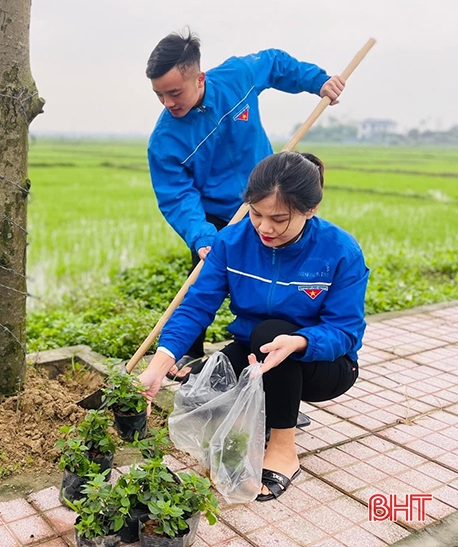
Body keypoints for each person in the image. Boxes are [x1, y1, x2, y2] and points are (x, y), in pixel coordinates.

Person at [138, 152, 369, 501]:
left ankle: (283, 447)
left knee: (270, 337)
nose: (264, 228)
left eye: (279, 219)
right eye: (256, 213)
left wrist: (300, 341)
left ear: (311, 210)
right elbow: (197, 306)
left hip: (325, 364)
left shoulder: (340, 252)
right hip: (258, 351)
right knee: (206, 384)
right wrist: (159, 365)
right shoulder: (231, 242)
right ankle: (271, 410)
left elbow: (346, 330)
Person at [146, 29, 345, 369]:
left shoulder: (237, 77)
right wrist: (203, 236)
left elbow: (274, 63)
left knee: (278, 280)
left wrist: (318, 81)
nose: (168, 103)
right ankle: (183, 356)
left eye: (174, 92)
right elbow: (177, 197)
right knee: (201, 282)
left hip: (268, 202)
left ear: (199, 78)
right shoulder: (164, 142)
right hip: (215, 220)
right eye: (159, 95)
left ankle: (277, 357)